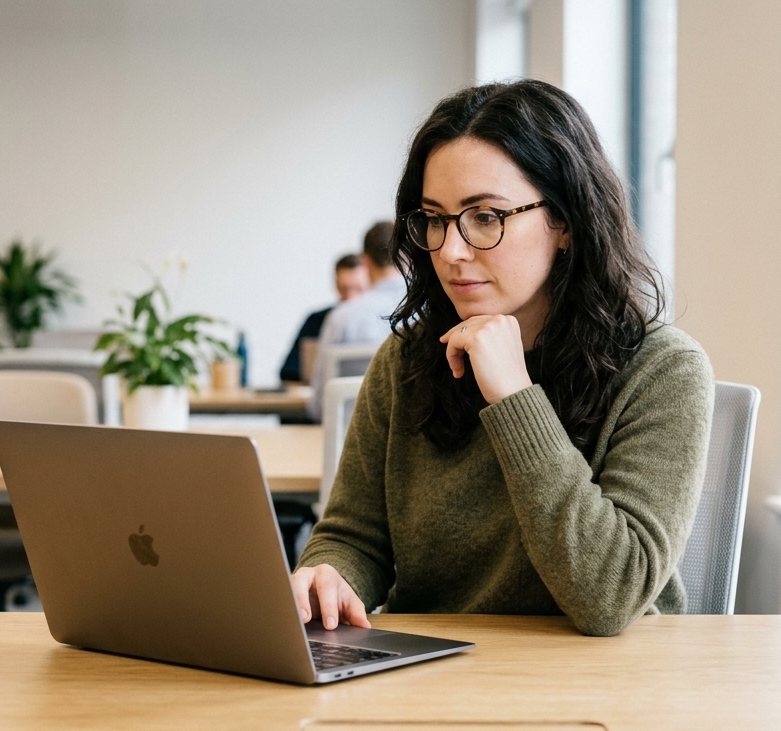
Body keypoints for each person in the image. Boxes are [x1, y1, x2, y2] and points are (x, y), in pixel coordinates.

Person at [291, 80, 714, 638]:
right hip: (431, 672)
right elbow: (354, 537)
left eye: (485, 216)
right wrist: (327, 576)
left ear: (564, 221)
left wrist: (515, 397)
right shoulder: (409, 360)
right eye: (435, 219)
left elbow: (609, 596)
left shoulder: (663, 370)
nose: (451, 250)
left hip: (605, 688)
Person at [306, 221, 402, 420]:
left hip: (350, 440)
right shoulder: (433, 311)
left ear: (365, 261)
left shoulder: (341, 317)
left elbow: (318, 406)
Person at [279, 254, 369, 383]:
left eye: (358, 289)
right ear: (336, 285)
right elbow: (288, 371)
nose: (350, 297)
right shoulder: (316, 320)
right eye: (344, 289)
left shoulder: (380, 323)